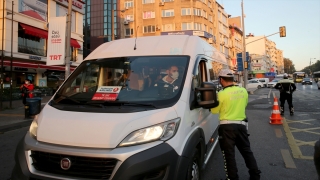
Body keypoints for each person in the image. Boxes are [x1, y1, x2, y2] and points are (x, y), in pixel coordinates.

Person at [210, 69, 261, 180]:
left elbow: (214, 111)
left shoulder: (221, 94)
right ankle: (255, 175)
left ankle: (232, 178)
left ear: (221, 80)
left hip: (227, 128)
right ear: (233, 79)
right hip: (241, 126)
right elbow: (244, 104)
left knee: (229, 155)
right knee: (247, 151)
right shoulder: (243, 91)